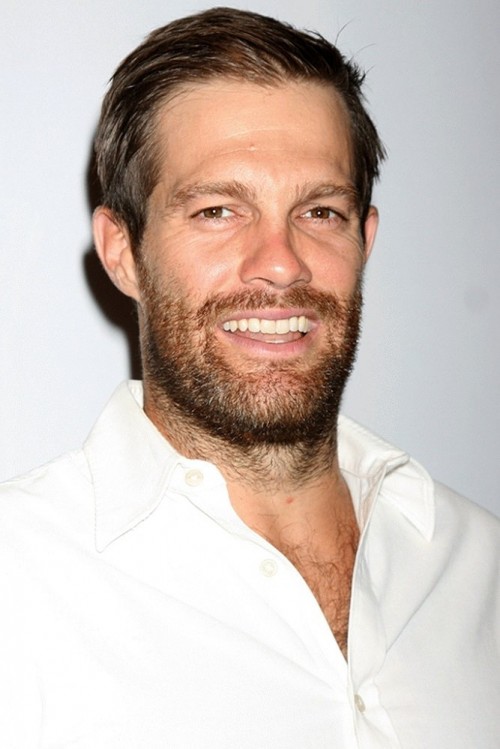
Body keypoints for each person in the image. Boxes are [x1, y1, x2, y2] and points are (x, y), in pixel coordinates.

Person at [1, 7, 498, 748]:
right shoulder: (20, 588)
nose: (281, 262)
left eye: (320, 211)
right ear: (123, 252)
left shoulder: (479, 565)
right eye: (218, 210)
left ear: (364, 240)